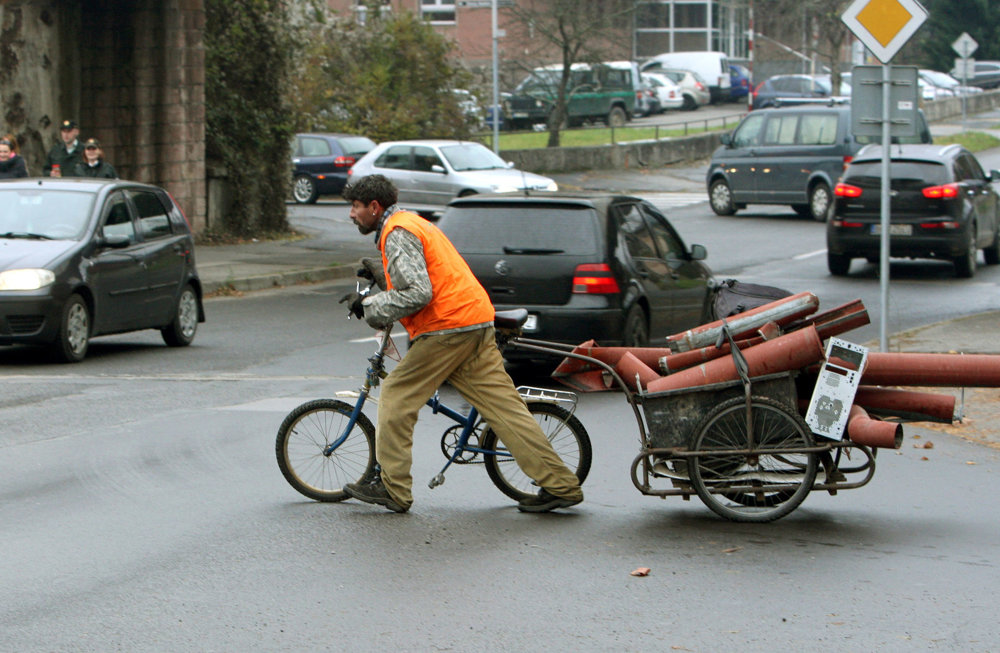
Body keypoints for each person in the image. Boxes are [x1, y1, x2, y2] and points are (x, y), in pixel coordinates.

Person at [338, 174, 584, 514]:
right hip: (475, 321)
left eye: (355, 207)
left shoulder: (397, 232)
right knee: (505, 409)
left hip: (447, 329)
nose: (351, 214)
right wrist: (382, 276)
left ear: (374, 206)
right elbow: (425, 278)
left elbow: (418, 293)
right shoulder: (412, 223)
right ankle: (562, 486)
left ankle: (393, 488)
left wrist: (368, 307)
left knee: (395, 397)